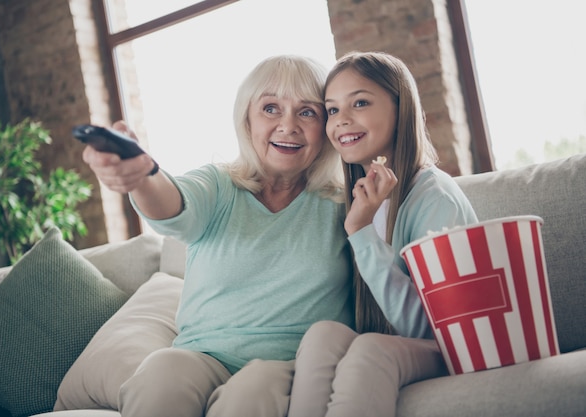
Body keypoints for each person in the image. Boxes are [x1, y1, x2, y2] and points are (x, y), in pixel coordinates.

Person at [81, 55, 354, 417]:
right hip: (201, 355)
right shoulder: (219, 185)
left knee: (251, 390)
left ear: (327, 126)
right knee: (161, 373)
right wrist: (142, 173)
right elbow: (173, 205)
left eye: (307, 112)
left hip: (290, 364)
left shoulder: (344, 202)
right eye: (271, 108)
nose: (287, 125)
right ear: (247, 119)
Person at [288, 51, 479, 417]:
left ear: (399, 107)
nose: (342, 120)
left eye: (359, 102)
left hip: (450, 344)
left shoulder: (432, 195)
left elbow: (425, 326)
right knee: (322, 335)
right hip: (399, 341)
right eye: (331, 110)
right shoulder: (359, 197)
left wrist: (360, 232)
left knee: (371, 350)